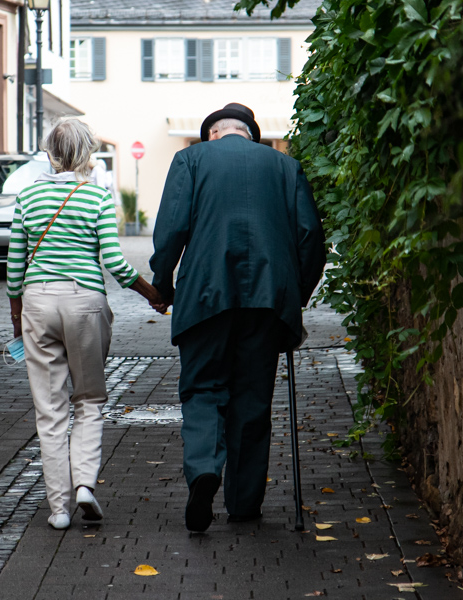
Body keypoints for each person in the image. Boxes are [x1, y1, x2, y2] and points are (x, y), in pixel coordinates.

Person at [149, 103, 326, 532]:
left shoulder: (190, 159)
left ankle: (206, 468)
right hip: (269, 301)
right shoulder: (286, 166)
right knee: (252, 398)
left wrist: (163, 283)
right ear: (251, 134)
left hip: (205, 295)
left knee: (203, 389)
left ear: (212, 133)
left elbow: (172, 228)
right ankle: (244, 503)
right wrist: (294, 296)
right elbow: (310, 239)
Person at [7, 119, 162, 530]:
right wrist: (154, 295)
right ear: (87, 153)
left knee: (50, 410)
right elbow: (113, 261)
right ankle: (85, 487)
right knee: (89, 399)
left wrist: (15, 310)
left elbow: (14, 264)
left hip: (38, 302)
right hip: (85, 303)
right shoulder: (95, 197)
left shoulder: (28, 196)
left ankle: (58, 509)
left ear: (50, 153)